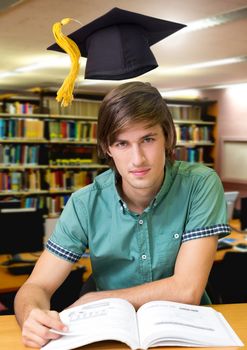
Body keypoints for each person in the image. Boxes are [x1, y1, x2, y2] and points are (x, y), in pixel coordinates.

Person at [14, 81, 230, 348]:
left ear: (167, 138)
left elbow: (187, 289)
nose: (137, 159)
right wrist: (31, 315)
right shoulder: (84, 204)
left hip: (186, 332)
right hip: (109, 335)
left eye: (148, 139)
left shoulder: (200, 184)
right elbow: (37, 287)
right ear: (107, 148)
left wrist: (102, 298)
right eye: (122, 143)